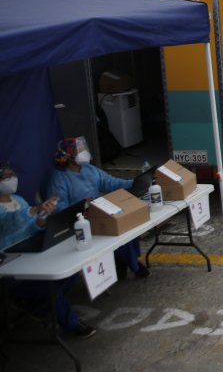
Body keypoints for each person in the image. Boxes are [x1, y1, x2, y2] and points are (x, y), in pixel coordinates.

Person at [2, 161, 97, 338]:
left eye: (12, 175)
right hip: (10, 265)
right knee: (48, 288)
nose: (12, 179)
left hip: (32, 254)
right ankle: (71, 323)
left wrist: (43, 220)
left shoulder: (19, 200)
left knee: (71, 272)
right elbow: (9, 222)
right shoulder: (10, 209)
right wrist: (34, 210)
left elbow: (31, 226)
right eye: (6, 177)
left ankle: (37, 306)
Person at [48, 137, 149, 279]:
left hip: (97, 213)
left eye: (83, 149)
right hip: (78, 221)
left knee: (127, 227)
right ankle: (133, 264)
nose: (84, 152)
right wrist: (82, 205)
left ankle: (127, 262)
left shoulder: (89, 169)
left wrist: (137, 181)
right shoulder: (59, 178)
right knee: (115, 231)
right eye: (79, 150)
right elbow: (59, 208)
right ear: (68, 156)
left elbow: (111, 183)